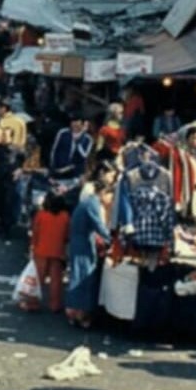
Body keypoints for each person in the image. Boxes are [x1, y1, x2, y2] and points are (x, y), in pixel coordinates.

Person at [65, 179, 114, 329]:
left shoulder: (88, 202)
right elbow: (99, 225)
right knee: (83, 278)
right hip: (83, 244)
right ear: (104, 193)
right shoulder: (92, 204)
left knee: (79, 276)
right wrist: (111, 240)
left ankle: (75, 312)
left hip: (81, 242)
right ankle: (78, 314)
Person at [31, 192, 70, 314]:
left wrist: (33, 246)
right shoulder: (65, 216)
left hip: (41, 250)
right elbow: (67, 235)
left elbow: (35, 232)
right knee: (56, 280)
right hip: (57, 251)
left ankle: (33, 302)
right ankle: (55, 304)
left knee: (38, 278)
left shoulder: (41, 215)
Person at [50, 115, 93, 183]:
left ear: (83, 125)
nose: (74, 126)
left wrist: (79, 141)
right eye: (73, 123)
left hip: (75, 173)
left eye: (77, 125)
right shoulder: (63, 133)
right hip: (59, 169)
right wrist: (53, 166)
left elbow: (84, 156)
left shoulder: (88, 139)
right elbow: (54, 150)